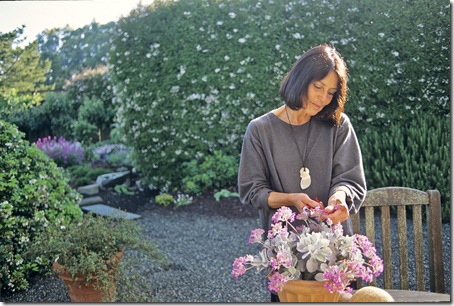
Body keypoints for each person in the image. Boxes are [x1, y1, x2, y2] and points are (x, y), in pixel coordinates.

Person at [237, 44, 366, 302]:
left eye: (330, 92)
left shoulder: (338, 125)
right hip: (287, 257)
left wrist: (338, 199)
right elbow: (252, 190)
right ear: (300, 80)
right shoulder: (260, 130)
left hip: (334, 254)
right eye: (318, 87)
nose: (322, 98)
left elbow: (349, 180)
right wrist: (290, 199)